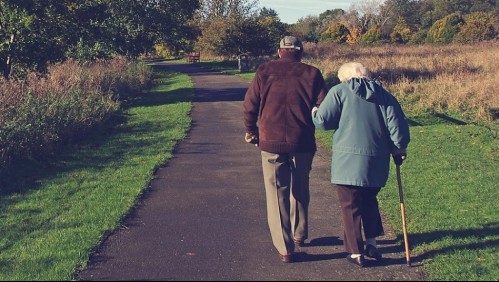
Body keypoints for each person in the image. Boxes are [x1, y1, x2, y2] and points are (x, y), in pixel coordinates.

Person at [311, 62, 410, 267]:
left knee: (350, 205)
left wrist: (314, 111)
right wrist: (399, 148)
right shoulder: (385, 95)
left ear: (344, 78)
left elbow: (323, 122)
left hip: (347, 161)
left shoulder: (339, 92)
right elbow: (397, 128)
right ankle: (372, 243)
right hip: (376, 160)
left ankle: (355, 252)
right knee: (369, 200)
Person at [243, 36, 328, 263]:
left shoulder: (264, 71)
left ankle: (285, 247)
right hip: (302, 141)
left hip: (270, 141)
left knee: (276, 194)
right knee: (300, 187)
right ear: (300, 52)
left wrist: (251, 131)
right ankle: (300, 233)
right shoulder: (313, 73)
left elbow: (250, 104)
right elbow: (323, 106)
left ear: (279, 51)